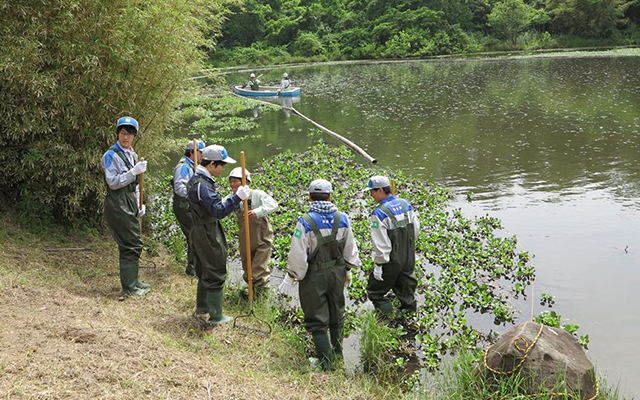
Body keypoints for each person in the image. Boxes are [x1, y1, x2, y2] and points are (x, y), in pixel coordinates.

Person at [279, 179, 361, 370]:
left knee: (317, 317)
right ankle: (338, 354)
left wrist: (292, 276)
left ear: (309, 197)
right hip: (337, 273)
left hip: (314, 275)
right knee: (337, 311)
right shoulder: (343, 218)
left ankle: (326, 362)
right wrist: (348, 269)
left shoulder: (305, 222)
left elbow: (298, 255)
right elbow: (350, 248)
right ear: (330, 196)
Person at [187, 145, 251, 328]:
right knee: (215, 270)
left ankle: (202, 307)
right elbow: (218, 211)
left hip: (199, 229)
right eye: (222, 165)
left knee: (204, 269)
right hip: (206, 231)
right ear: (212, 164)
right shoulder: (202, 186)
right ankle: (216, 316)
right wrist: (236, 197)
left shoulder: (197, 179)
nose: (223, 169)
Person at [101, 116, 150, 296]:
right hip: (117, 201)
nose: (125, 137)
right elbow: (113, 182)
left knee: (131, 240)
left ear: (134, 136)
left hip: (129, 198)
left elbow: (136, 184)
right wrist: (132, 172)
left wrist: (139, 204)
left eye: (129, 134)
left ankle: (134, 280)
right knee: (132, 242)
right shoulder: (111, 155)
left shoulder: (133, 154)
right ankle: (129, 287)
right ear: (117, 134)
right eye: (122, 133)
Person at [363, 176, 420, 319]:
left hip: (391, 260)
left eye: (372, 192)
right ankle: (409, 318)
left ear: (380, 190)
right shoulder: (406, 204)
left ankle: (389, 319)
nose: (371, 195)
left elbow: (381, 244)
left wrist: (379, 265)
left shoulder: (379, 213)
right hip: (408, 256)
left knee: (375, 291)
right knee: (406, 288)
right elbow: (416, 229)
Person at [227, 167, 278, 297]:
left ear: (245, 182)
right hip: (245, 237)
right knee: (247, 266)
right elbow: (221, 206)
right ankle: (251, 293)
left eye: (235, 181)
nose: (232, 184)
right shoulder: (232, 198)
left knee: (258, 268)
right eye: (230, 182)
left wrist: (257, 212)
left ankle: (261, 296)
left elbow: (273, 204)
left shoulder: (257, 194)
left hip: (262, 236)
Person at [172, 140, 205, 276]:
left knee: (196, 233)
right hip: (183, 204)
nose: (203, 155)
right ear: (192, 152)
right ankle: (192, 267)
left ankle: (195, 265)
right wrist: (195, 196)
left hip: (189, 204)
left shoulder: (194, 166)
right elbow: (180, 188)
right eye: (200, 152)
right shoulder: (183, 167)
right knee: (194, 234)